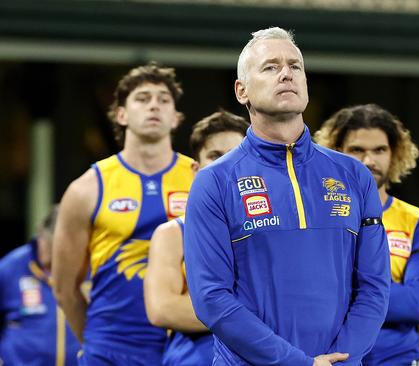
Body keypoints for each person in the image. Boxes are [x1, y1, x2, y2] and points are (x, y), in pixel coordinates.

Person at [183, 27, 391, 366]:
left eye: (295, 66)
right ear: (242, 91)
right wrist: (296, 362)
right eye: (270, 67)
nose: (286, 74)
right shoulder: (214, 182)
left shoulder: (354, 176)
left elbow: (374, 287)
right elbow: (212, 299)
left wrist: (342, 360)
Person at [52, 63, 195, 365]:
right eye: (142, 98)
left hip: (185, 344)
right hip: (110, 348)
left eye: (164, 99)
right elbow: (65, 288)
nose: (154, 105)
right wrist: (96, 341)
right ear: (121, 114)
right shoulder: (86, 188)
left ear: (176, 118)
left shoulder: (202, 180)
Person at [314, 103, 419, 366]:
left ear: (395, 154)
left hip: (397, 359)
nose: (369, 161)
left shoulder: (417, 222)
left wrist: (341, 294)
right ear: (336, 153)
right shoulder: (315, 216)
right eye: (357, 150)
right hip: (332, 359)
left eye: (379, 150)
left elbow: (417, 304)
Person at [144, 110, 249, 365]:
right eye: (214, 156)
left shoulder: (271, 230)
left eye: (234, 155)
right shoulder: (172, 234)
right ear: (195, 168)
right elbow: (162, 309)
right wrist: (253, 315)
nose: (225, 165)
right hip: (194, 357)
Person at [0, 205, 81, 365]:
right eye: (49, 244)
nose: (51, 254)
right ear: (41, 234)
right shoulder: (9, 267)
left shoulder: (88, 269)